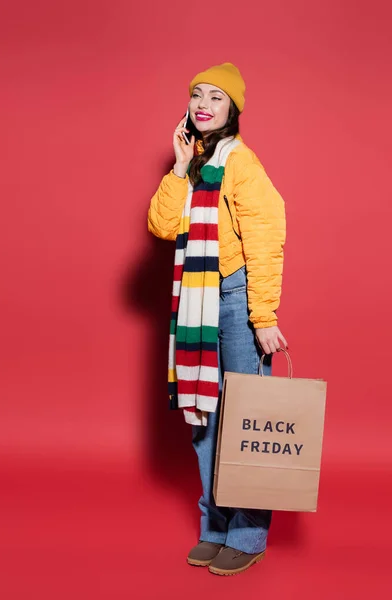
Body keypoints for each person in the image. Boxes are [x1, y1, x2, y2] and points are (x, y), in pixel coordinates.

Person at [148, 62, 287, 576]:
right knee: (203, 417)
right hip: (196, 297)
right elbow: (162, 226)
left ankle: (248, 534)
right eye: (197, 95)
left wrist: (263, 314)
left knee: (246, 420)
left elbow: (266, 236)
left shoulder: (240, 163)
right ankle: (215, 527)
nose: (204, 103)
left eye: (217, 98)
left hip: (235, 295)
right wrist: (180, 165)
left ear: (234, 110)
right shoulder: (197, 163)